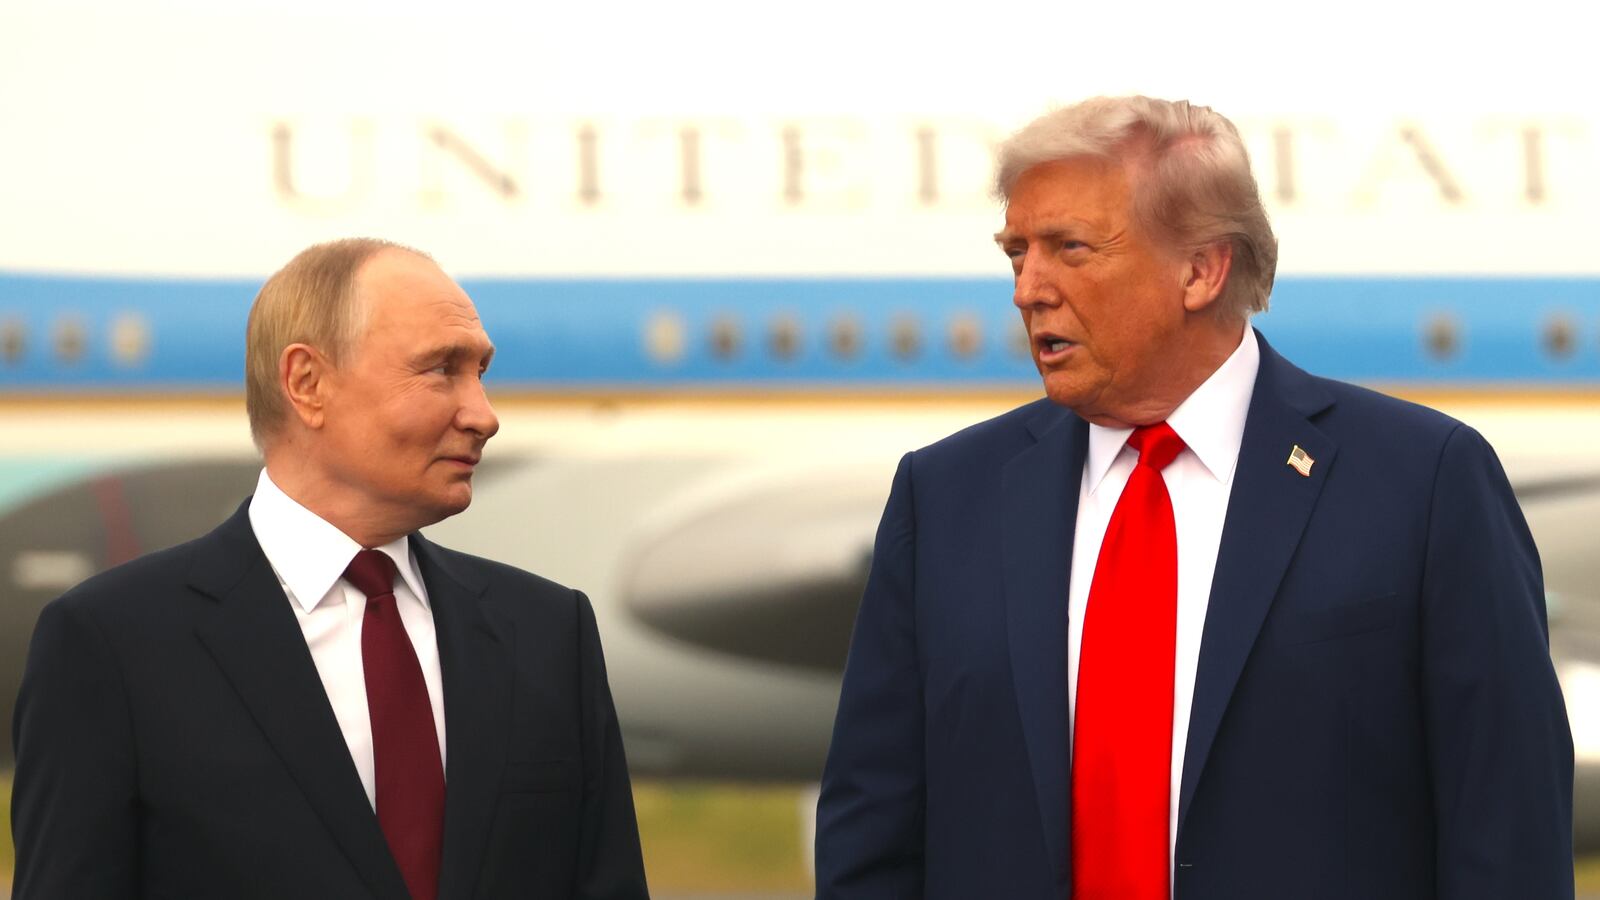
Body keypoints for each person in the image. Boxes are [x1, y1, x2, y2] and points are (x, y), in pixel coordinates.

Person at [815, 97, 1574, 899]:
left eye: (1070, 249)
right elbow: (874, 832)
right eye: (1017, 253)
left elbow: (1508, 830)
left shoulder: (1422, 483)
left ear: (1202, 270)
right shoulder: (945, 501)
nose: (1028, 289)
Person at [11, 239, 649, 899]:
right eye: (440, 371)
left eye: (481, 373)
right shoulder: (112, 644)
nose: (483, 416)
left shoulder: (548, 634)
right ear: (308, 384)